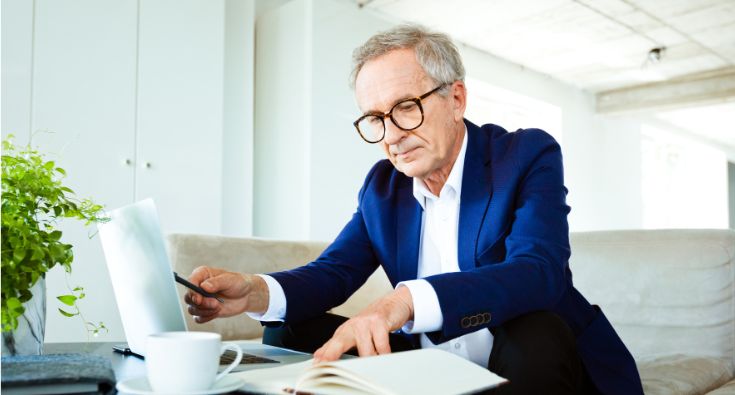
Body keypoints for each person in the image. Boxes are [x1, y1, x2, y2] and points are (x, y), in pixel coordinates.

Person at [184, 25, 643, 395]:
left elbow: (539, 272)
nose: (390, 136)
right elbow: (335, 271)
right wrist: (255, 292)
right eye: (375, 119)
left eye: (405, 108)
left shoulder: (524, 155)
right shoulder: (382, 187)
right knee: (288, 330)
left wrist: (404, 301)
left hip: (535, 362)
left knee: (534, 330)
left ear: (456, 99)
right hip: (429, 367)